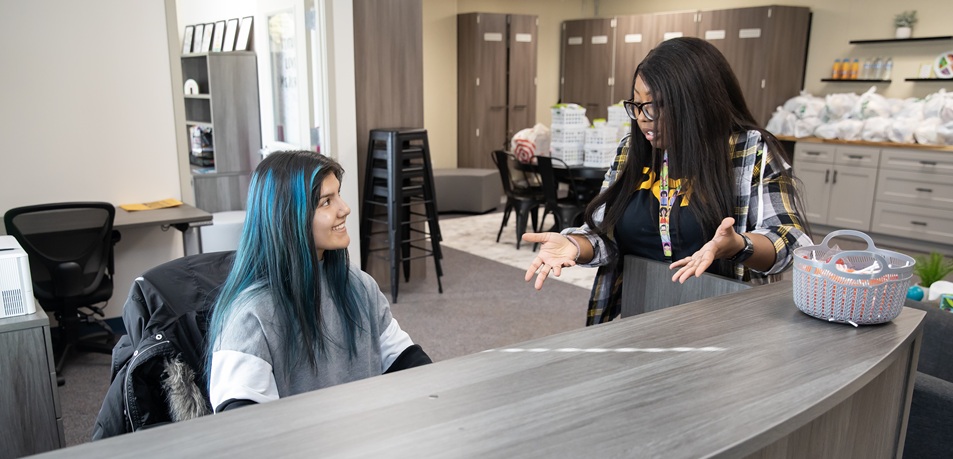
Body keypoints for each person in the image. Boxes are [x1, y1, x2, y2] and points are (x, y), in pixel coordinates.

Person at [523, 37, 812, 325]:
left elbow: (789, 242)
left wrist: (738, 245)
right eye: (638, 105)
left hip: (723, 321)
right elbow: (604, 233)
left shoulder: (749, 150)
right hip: (641, 311)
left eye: (657, 106)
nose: (643, 118)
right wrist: (574, 244)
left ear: (698, 102)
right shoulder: (631, 150)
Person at [205, 151, 432, 413]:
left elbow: (405, 359)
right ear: (288, 216)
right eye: (326, 202)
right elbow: (241, 431)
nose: (345, 208)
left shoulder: (359, 285)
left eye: (338, 195)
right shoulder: (249, 317)